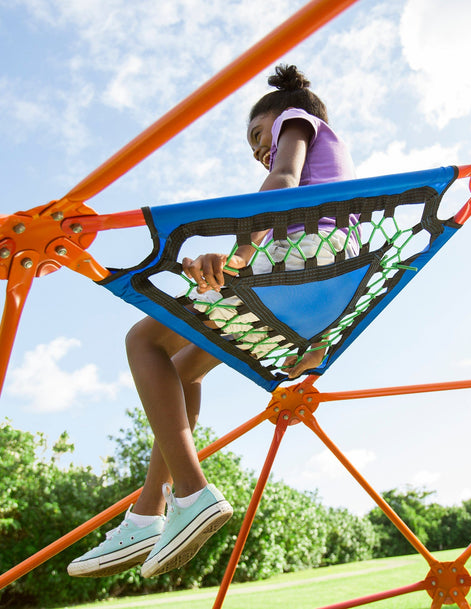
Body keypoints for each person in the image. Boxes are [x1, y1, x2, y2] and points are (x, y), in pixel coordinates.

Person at [67, 64, 356, 579]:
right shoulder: (330, 175)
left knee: (142, 339)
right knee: (181, 371)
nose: (257, 150)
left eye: (255, 135)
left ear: (284, 115)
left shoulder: (298, 118)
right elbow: (290, 195)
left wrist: (238, 256)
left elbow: (283, 181)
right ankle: (148, 512)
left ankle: (190, 492)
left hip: (300, 266)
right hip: (321, 295)